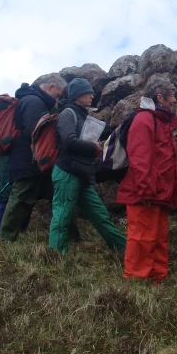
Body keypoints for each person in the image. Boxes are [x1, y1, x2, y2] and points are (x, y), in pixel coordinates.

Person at [49, 78, 126, 255]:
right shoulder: (68, 113)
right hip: (67, 172)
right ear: (77, 94)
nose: (92, 95)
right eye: (88, 92)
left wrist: (94, 146)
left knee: (100, 215)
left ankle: (124, 250)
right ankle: (55, 258)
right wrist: (94, 147)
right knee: (62, 217)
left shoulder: (82, 115)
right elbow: (68, 142)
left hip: (81, 173)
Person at [117, 78, 177, 282]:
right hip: (145, 193)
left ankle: (156, 278)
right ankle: (135, 282)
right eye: (172, 96)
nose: (174, 101)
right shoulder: (144, 119)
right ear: (159, 97)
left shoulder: (160, 121)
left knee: (159, 238)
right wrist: (145, 190)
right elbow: (140, 158)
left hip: (160, 192)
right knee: (141, 238)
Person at [0, 74, 67, 241]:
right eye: (57, 95)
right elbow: (34, 131)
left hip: (33, 161)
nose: (57, 100)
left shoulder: (33, 100)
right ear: (50, 87)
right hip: (29, 162)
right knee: (20, 200)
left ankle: (71, 236)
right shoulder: (33, 101)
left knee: (56, 198)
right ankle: (5, 240)